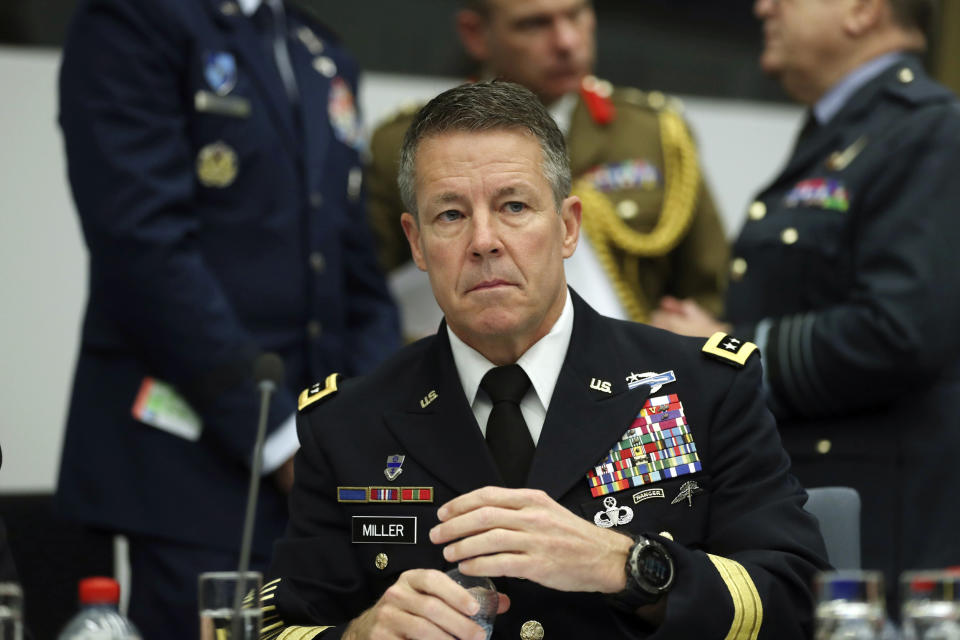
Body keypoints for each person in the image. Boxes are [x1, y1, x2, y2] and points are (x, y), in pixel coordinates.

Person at [261, 81, 829, 640]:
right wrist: (360, 634)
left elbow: (799, 601)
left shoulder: (702, 389)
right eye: (451, 215)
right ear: (415, 243)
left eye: (514, 206)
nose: (484, 240)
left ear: (567, 226)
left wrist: (628, 566)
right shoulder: (348, 424)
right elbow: (274, 625)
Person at [56, 0, 400, 637]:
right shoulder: (134, 20)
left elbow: (358, 275)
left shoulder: (316, 48)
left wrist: (367, 427)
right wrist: (278, 437)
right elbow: (143, 248)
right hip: (194, 461)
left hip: (320, 474)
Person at [650, 0, 960, 607]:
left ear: (862, 10)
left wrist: (728, 349)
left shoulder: (928, 129)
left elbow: (903, 329)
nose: (763, 6)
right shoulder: (847, 131)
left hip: (882, 520)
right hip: (819, 498)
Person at [366, 0, 728, 332]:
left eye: (576, 15)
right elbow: (365, 295)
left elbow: (709, 291)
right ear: (475, 35)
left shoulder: (653, 136)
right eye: (534, 25)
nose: (567, 41)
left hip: (629, 379)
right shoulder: (407, 146)